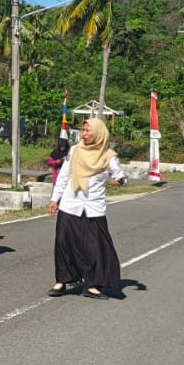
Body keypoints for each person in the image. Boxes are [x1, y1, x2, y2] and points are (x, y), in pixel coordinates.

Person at [48, 117, 128, 299]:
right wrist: (55, 199)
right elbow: (63, 176)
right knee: (63, 242)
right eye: (83, 130)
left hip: (93, 206)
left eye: (87, 131)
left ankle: (91, 285)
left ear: (98, 133)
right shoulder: (75, 151)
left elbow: (120, 175)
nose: (83, 134)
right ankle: (61, 281)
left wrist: (120, 181)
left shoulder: (108, 155)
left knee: (94, 248)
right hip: (70, 204)